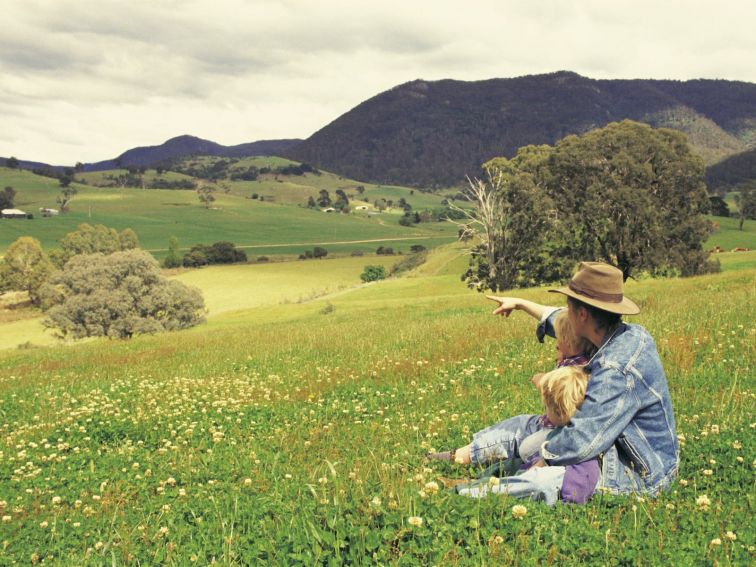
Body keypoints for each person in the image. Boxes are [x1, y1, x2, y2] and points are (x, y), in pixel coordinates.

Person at [435, 262, 679, 496]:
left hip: (636, 471)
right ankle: (466, 461)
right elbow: (555, 319)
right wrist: (519, 303)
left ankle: (468, 492)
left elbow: (582, 441)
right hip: (608, 442)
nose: (564, 314)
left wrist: (541, 457)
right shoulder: (617, 334)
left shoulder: (616, 369)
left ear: (582, 314)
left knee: (549, 478)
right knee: (526, 426)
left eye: (569, 308)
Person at [453, 365, 600, 505]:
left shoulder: (581, 442)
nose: (544, 412)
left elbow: (585, 478)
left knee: (533, 483)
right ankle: (477, 480)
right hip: (535, 469)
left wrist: (570, 501)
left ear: (558, 411)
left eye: (546, 407)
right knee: (510, 464)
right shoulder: (562, 432)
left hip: (557, 483)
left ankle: (468, 491)